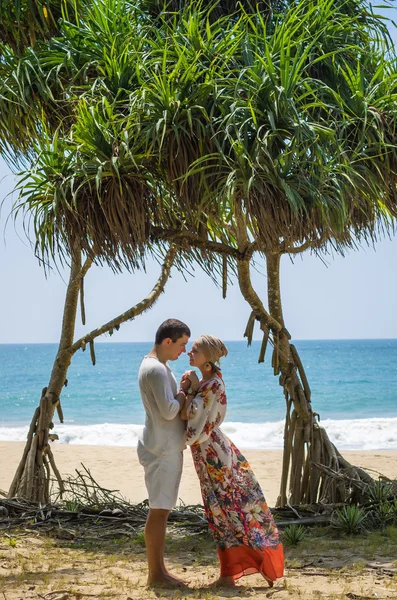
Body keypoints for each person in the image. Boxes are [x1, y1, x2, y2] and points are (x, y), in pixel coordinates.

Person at [180, 335, 284, 587]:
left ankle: (235, 572)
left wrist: (187, 390)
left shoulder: (211, 385)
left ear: (206, 357)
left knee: (225, 509)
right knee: (222, 509)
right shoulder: (210, 381)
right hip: (211, 450)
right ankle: (233, 571)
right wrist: (192, 388)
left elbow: (190, 418)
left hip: (212, 452)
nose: (189, 354)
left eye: (194, 351)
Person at [137, 318, 190, 588]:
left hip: (163, 447)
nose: (183, 351)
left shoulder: (160, 367)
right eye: (181, 345)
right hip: (160, 450)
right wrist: (184, 391)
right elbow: (169, 411)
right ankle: (155, 575)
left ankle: (159, 571)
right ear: (167, 341)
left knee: (161, 509)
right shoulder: (155, 369)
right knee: (158, 510)